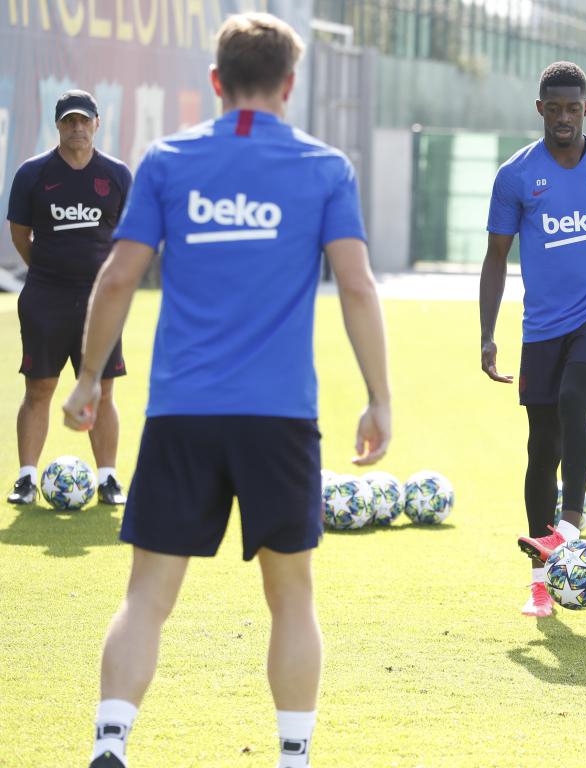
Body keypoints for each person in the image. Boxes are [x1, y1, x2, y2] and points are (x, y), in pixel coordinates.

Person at [61, 13, 392, 767]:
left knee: (147, 592)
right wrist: (380, 397)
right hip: (278, 418)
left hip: (181, 413)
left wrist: (88, 377)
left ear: (215, 83)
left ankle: (110, 741)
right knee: (292, 596)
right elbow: (358, 288)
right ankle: (292, 757)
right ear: (290, 85)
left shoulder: (168, 160)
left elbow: (117, 276)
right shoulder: (324, 168)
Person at [479, 61, 586, 618]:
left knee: (578, 399)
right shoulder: (516, 175)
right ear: (539, 110)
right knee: (541, 446)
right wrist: (487, 334)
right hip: (544, 325)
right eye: (552, 108)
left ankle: (569, 526)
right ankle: (538, 582)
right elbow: (496, 257)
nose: (562, 117)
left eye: (571, 108)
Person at [6, 89, 132, 506]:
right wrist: (48, 269)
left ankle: (109, 478)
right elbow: (20, 233)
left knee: (103, 391)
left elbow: (131, 236)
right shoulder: (32, 174)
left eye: (84, 120)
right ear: (57, 125)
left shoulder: (116, 174)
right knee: (39, 387)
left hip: (101, 302)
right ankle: (26, 478)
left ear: (98, 123)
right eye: (68, 121)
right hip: (45, 297)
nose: (77, 127)